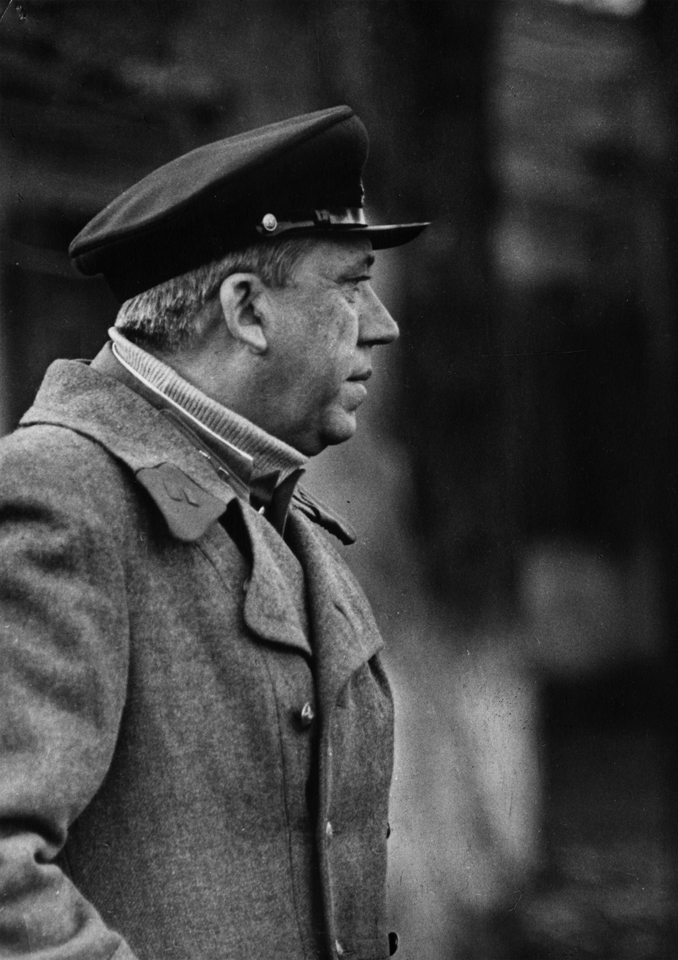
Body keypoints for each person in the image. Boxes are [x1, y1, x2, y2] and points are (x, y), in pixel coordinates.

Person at [0, 106, 427, 959]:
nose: (382, 324)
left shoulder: (274, 506)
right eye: (351, 286)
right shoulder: (63, 492)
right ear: (247, 310)